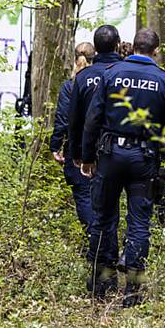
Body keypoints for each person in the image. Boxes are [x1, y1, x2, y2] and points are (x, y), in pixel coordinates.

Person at [81, 28, 165, 307]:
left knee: (103, 218)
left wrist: (87, 157)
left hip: (110, 155)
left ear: (133, 46)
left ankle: (100, 286)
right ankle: (132, 293)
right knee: (139, 223)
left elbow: (94, 118)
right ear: (156, 50)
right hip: (144, 159)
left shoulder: (111, 74)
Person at [49, 42, 96, 233]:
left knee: (84, 195)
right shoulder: (106, 81)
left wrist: (56, 146)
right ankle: (102, 241)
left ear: (74, 59)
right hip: (103, 149)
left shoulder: (70, 86)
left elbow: (63, 118)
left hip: (77, 149)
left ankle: (94, 238)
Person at [68, 25, 122, 167]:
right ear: (117, 44)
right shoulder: (127, 73)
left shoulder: (82, 76)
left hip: (93, 148)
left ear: (96, 48)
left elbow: (74, 118)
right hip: (125, 149)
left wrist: (77, 153)